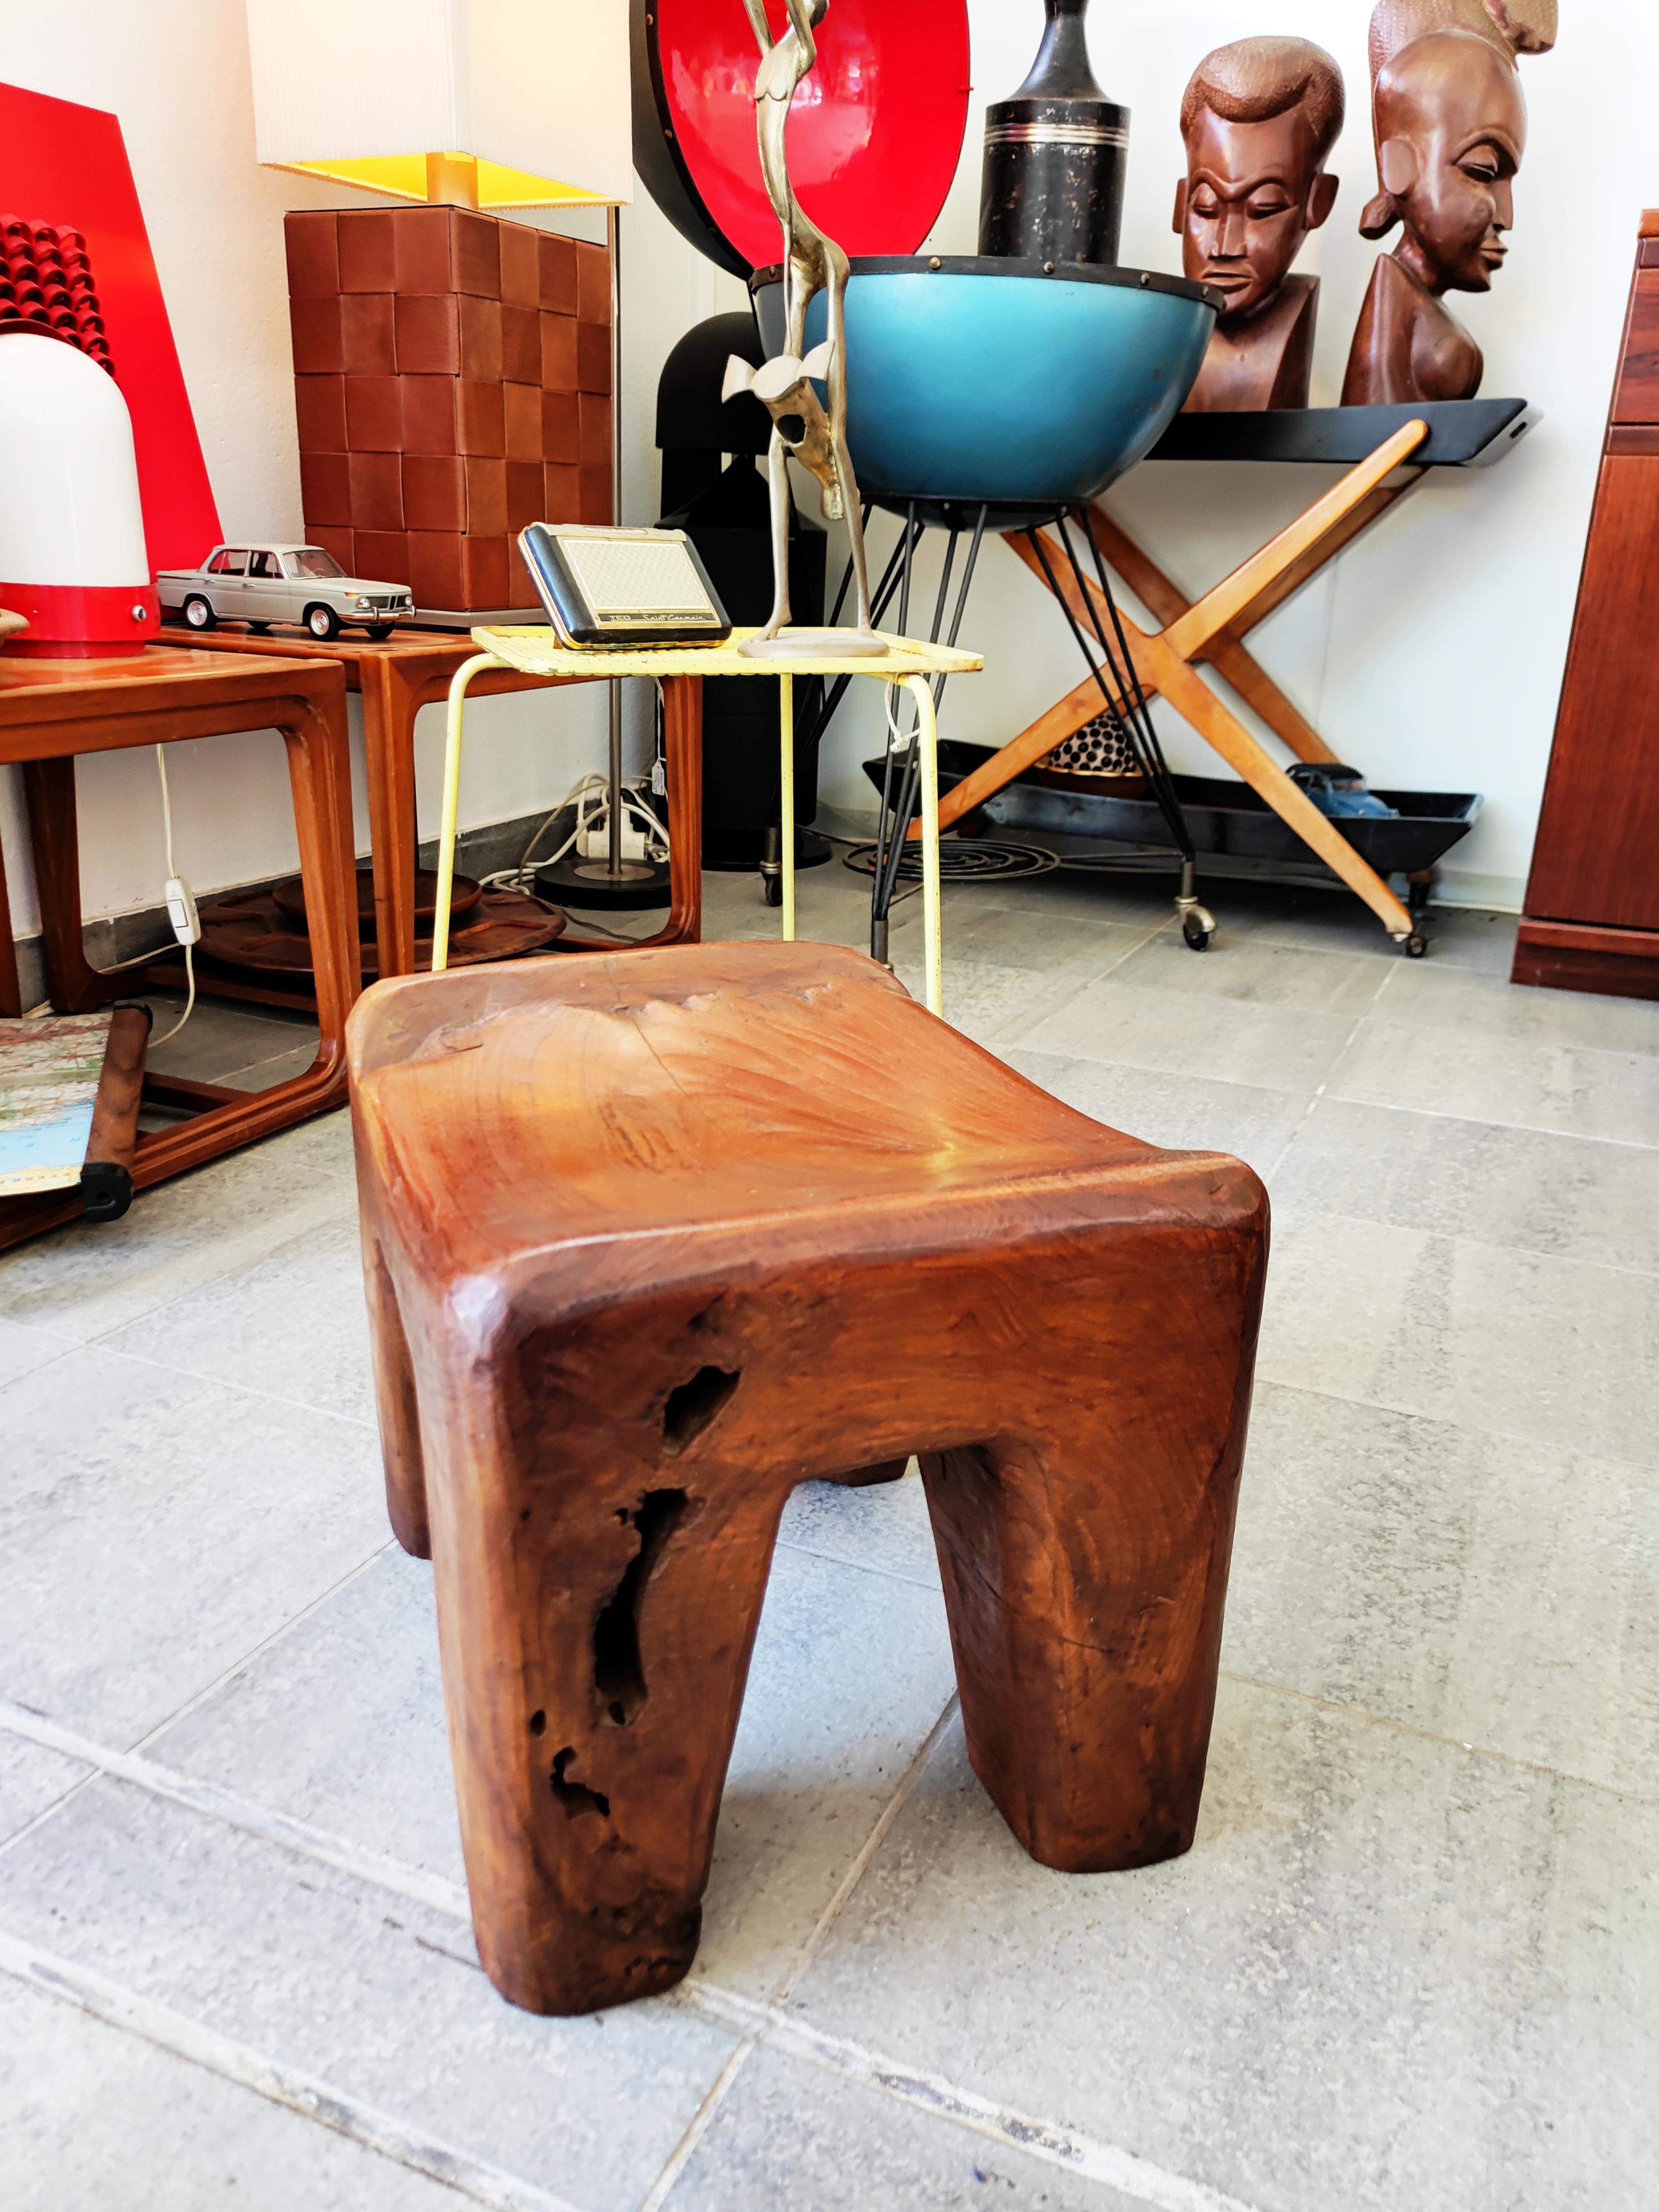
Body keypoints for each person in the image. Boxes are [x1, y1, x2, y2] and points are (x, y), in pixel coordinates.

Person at [1341, 28, 1527, 405]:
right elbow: (1371, 436)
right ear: (1400, 167)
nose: (1506, 218)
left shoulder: (1411, 294)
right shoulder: (1394, 289)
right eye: (1482, 171)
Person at [1174, 37, 1346, 412]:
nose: (1225, 246)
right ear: (1180, 203)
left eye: (1263, 209)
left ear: (1319, 202)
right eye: (1205, 208)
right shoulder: (1151, 340)